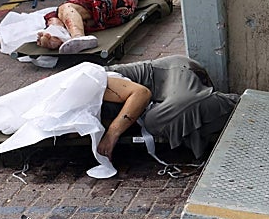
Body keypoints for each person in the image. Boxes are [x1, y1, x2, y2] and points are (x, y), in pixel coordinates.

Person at [96, 55, 239, 161]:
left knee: (154, 121)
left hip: (174, 72)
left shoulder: (89, 82)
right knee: (172, 124)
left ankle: (236, 103)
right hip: (161, 99)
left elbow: (141, 94)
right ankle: (210, 111)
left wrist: (112, 134)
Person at [37, 0, 142, 53]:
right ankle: (56, 35)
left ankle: (77, 37)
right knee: (72, 16)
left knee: (65, 8)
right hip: (120, 14)